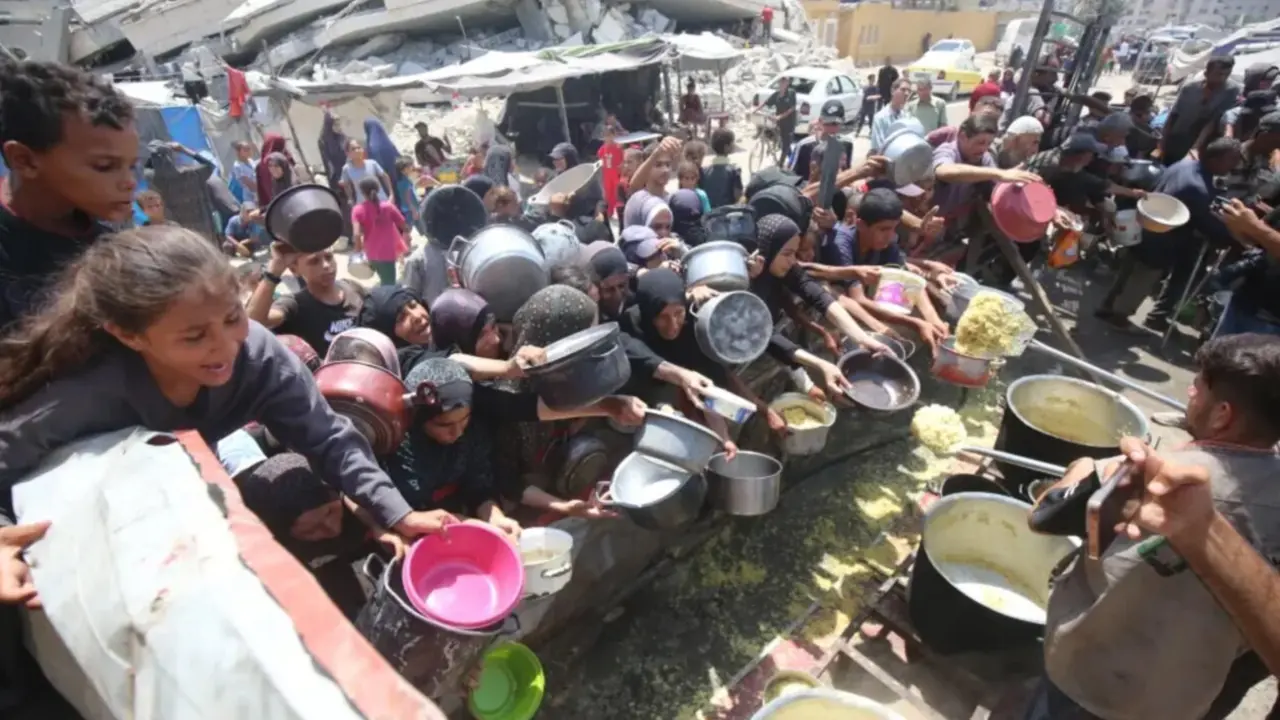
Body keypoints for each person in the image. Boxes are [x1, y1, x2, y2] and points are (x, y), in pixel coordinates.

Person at [0, 227, 454, 592]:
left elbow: (328, 437)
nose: (225, 347)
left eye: (233, 317)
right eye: (195, 336)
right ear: (129, 335)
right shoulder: (86, 389)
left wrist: (397, 512)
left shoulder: (259, 355)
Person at [1026, 333, 1280, 720]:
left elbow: (1043, 516)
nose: (1189, 391)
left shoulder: (1158, 480)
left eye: (1198, 386)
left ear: (1222, 414)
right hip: (1176, 703)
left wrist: (1082, 470)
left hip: (1089, 683)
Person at [0, 60, 138, 335]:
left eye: (132, 165)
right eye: (104, 166)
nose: (129, 183)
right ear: (25, 160)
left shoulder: (108, 244)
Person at [1097, 138, 1242, 331]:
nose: (1234, 165)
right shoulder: (1197, 186)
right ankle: (1119, 317)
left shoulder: (1183, 166)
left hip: (1147, 224)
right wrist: (1234, 236)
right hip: (1163, 238)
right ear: (1215, 158)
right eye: (1231, 160)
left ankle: (1107, 307)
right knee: (1142, 278)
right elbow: (1208, 224)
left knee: (1129, 270)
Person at [247, 244, 365, 357]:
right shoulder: (294, 304)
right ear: (294, 270)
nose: (326, 265)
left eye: (329, 257)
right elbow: (254, 324)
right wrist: (273, 274)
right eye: (314, 261)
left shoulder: (352, 288)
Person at [931, 114, 1038, 231]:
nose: (984, 149)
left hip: (956, 223)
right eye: (980, 142)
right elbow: (944, 171)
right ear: (962, 136)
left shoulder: (983, 158)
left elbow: (998, 189)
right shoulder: (947, 151)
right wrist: (999, 173)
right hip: (930, 222)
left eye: (988, 144)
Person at [1159, 56, 1239, 165]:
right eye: (1219, 74)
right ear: (1206, 73)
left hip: (1202, 143)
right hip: (1177, 138)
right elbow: (1174, 114)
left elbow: (1214, 120)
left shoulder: (1230, 90)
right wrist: (1163, 139)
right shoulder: (1190, 88)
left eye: (1227, 74)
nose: (1223, 79)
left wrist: (1196, 147)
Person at [145, 141, 219, 240]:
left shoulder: (156, 183)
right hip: (205, 230)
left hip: (181, 234)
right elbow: (210, 165)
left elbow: (147, 169)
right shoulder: (191, 175)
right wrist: (183, 149)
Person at [352, 176, 409, 286]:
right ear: (378, 189)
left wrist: (357, 251)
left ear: (361, 192)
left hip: (371, 253)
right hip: (388, 253)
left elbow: (357, 234)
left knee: (383, 279)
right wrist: (404, 241)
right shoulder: (388, 207)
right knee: (389, 284)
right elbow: (404, 226)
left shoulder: (357, 210)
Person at [624, 136, 680, 228]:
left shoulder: (672, 200)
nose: (665, 170)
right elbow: (634, 185)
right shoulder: (639, 198)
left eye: (667, 164)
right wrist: (657, 152)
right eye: (658, 165)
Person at [755, 76, 797, 165]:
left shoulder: (791, 93)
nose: (782, 84)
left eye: (784, 82)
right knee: (783, 143)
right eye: (781, 82)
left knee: (785, 143)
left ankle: (781, 165)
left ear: (787, 83)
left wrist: (780, 116)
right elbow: (766, 102)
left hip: (789, 123)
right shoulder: (777, 94)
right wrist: (756, 110)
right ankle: (792, 159)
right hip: (779, 122)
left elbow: (792, 108)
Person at [340, 138, 392, 206]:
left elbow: (385, 176)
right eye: (353, 149)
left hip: (382, 201)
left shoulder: (372, 163)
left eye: (359, 147)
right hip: (363, 205)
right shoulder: (346, 169)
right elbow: (347, 186)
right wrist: (350, 199)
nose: (357, 150)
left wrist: (391, 195)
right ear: (348, 153)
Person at [702, 128, 743, 209]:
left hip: (709, 213)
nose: (734, 145)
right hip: (727, 213)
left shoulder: (703, 171)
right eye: (732, 142)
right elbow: (738, 197)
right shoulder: (734, 170)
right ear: (726, 147)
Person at [869, 79, 911, 154]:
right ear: (893, 91)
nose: (906, 93)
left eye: (909, 91)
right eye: (903, 90)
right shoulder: (880, 118)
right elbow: (878, 147)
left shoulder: (907, 116)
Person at [255, 133, 295, 207]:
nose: (272, 169)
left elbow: (261, 192)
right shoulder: (285, 160)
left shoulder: (260, 166)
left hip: (274, 206)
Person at [317, 111, 347, 194]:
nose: (339, 127)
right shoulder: (323, 140)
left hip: (346, 169)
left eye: (339, 124)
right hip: (335, 173)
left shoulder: (342, 136)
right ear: (329, 125)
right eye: (336, 125)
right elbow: (328, 160)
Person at [598, 123, 624, 218]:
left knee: (616, 194)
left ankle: (619, 213)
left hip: (616, 175)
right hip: (607, 175)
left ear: (614, 135)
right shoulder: (603, 149)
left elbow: (622, 161)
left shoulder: (618, 147)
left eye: (609, 135)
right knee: (608, 195)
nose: (607, 138)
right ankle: (609, 214)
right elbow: (600, 158)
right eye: (605, 136)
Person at [230, 140, 259, 205]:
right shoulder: (238, 166)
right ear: (239, 152)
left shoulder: (250, 161)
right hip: (252, 198)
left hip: (259, 193)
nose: (249, 151)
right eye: (246, 150)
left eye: (249, 149)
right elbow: (250, 185)